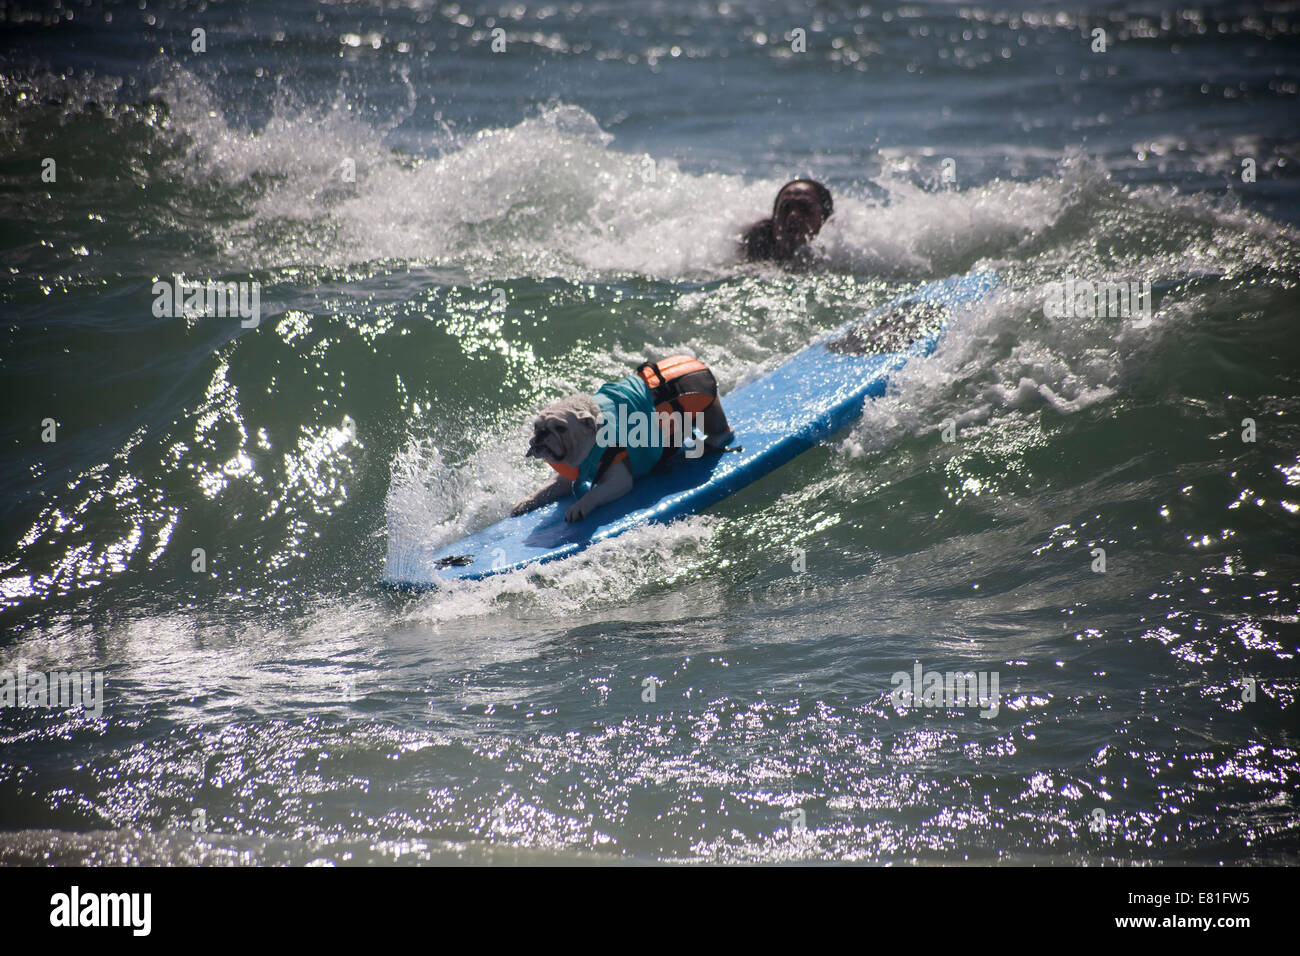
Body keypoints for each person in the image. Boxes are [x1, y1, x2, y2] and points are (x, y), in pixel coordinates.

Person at [741, 179, 833, 262]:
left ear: (825, 219)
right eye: (786, 208)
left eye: (804, 208)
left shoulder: (839, 257)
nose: (793, 215)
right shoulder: (748, 256)